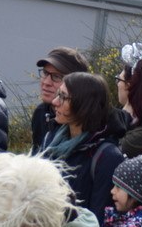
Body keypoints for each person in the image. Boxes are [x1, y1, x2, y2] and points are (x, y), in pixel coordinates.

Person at [42, 72, 126, 215]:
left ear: (84, 105)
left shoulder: (107, 157)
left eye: (63, 97)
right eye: (58, 95)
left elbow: (97, 220)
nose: (55, 102)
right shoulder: (51, 141)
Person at [32, 47, 90, 153]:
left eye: (57, 76)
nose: (46, 82)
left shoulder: (90, 122)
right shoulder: (41, 112)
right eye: (45, 73)